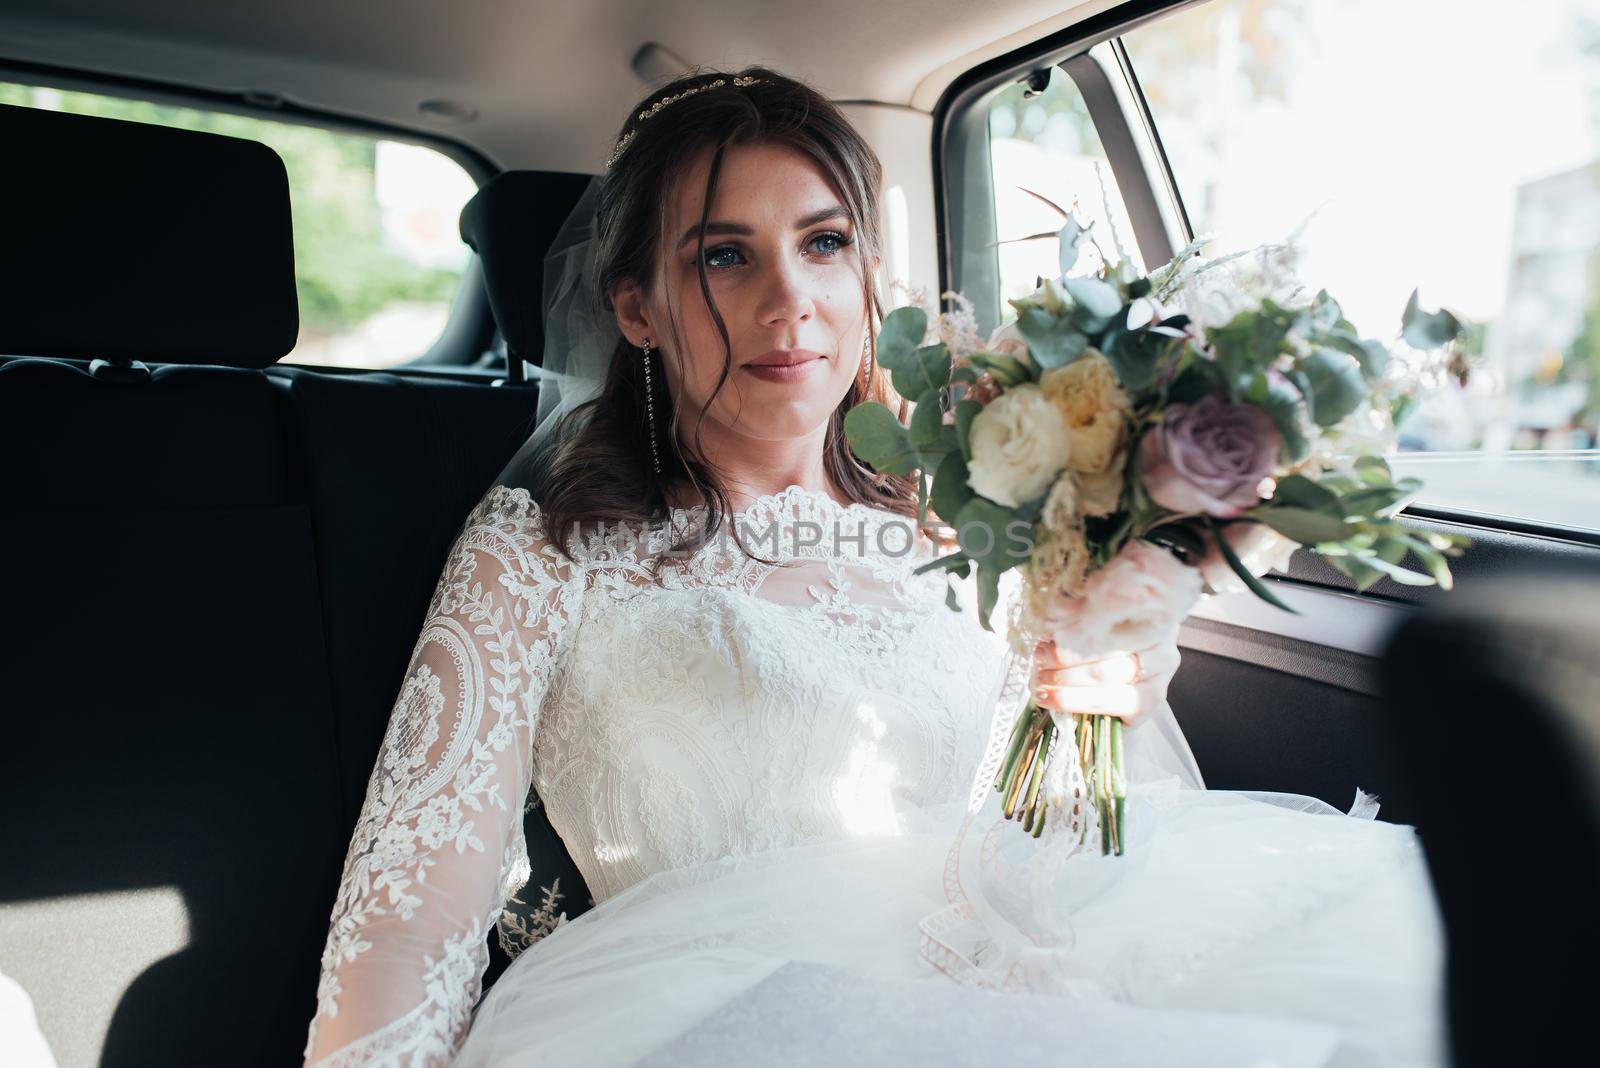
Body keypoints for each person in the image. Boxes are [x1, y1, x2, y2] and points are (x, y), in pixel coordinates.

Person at [301, 67, 1446, 1067]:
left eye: (824, 242)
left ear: (866, 284)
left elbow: (1073, 846)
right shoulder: (539, 552)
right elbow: (407, 928)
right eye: (722, 256)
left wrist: (1105, 687)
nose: (788, 298)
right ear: (638, 309)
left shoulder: (975, 526)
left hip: (1012, 1007)